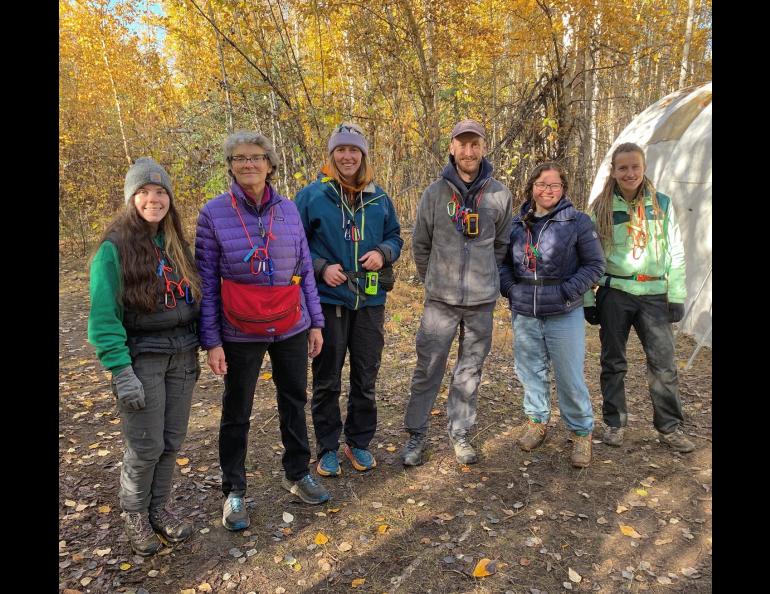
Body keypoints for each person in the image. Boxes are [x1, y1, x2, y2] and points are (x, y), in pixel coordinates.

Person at [195, 131, 329, 532]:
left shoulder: (288, 210)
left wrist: (316, 322)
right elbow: (205, 281)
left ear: (270, 163)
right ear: (231, 166)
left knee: (294, 400)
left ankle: (297, 472)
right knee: (237, 410)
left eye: (256, 157)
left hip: (291, 323)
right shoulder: (213, 213)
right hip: (239, 330)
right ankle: (234, 489)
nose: (248, 164)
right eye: (239, 158)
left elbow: (305, 271)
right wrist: (212, 340)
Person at [88, 157, 200, 556]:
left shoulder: (175, 244)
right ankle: (134, 514)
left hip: (183, 356)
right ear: (131, 198)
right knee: (145, 445)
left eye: (160, 192)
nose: (153, 199)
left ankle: (159, 509)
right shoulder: (113, 249)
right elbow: (103, 317)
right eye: (144, 192)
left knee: (171, 441)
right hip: (143, 359)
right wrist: (120, 371)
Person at [401, 119, 513, 466]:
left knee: (470, 370)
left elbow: (502, 244)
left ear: (483, 147)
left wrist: (483, 276)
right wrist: (435, 279)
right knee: (428, 367)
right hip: (440, 303)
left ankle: (460, 432)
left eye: (474, 143)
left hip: (480, 303)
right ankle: (416, 434)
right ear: (452, 147)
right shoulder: (435, 194)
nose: (468, 151)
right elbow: (421, 245)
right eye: (462, 144)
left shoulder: (499, 194)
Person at [295, 122, 403, 477]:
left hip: (369, 300)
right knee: (327, 377)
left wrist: (384, 253)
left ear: (363, 155)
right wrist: (322, 266)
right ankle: (327, 446)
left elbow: (395, 237)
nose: (347, 156)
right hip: (328, 300)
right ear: (332, 155)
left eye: (353, 150)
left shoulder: (379, 197)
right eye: (341, 150)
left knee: (365, 376)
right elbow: (293, 246)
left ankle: (358, 441)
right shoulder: (313, 196)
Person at [584, 142, 694, 453]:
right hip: (615, 292)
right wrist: (588, 301)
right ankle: (614, 423)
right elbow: (588, 257)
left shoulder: (661, 204)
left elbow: (675, 252)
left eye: (635, 166)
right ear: (614, 172)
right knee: (613, 361)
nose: (630, 173)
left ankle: (669, 427)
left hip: (655, 294)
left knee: (663, 364)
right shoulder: (601, 208)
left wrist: (676, 294)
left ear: (643, 168)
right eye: (623, 168)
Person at [499, 162, 605, 468]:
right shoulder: (517, 224)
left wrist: (566, 292)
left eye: (554, 185)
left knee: (569, 376)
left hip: (563, 310)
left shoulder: (577, 222)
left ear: (564, 190)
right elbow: (502, 264)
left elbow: (595, 264)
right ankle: (536, 421)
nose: (548, 191)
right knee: (530, 371)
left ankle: (581, 432)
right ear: (532, 186)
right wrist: (510, 289)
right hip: (525, 311)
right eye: (542, 184)